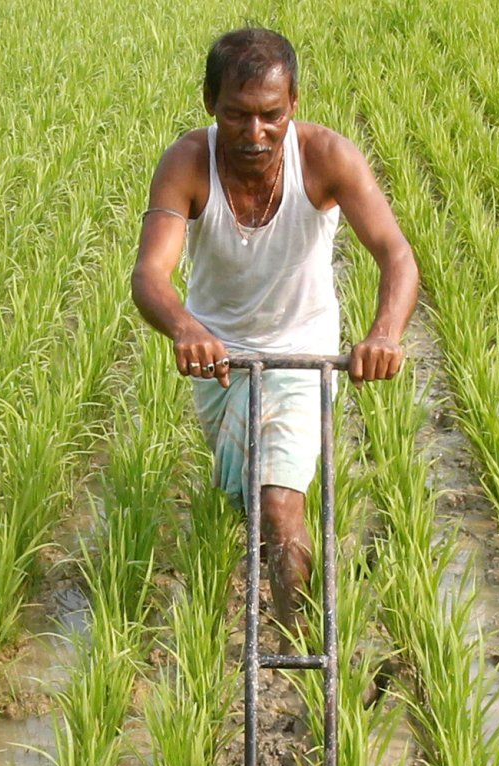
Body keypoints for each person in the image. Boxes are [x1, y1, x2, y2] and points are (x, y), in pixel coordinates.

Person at [131, 27, 419, 636]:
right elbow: (150, 274)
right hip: (219, 361)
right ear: (211, 103)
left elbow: (396, 255)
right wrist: (184, 327)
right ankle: (281, 608)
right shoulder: (188, 162)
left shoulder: (326, 158)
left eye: (271, 116)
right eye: (237, 115)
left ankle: (299, 648)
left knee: (280, 504)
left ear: (293, 104)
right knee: (251, 505)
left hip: (302, 355)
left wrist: (385, 333)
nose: (254, 134)